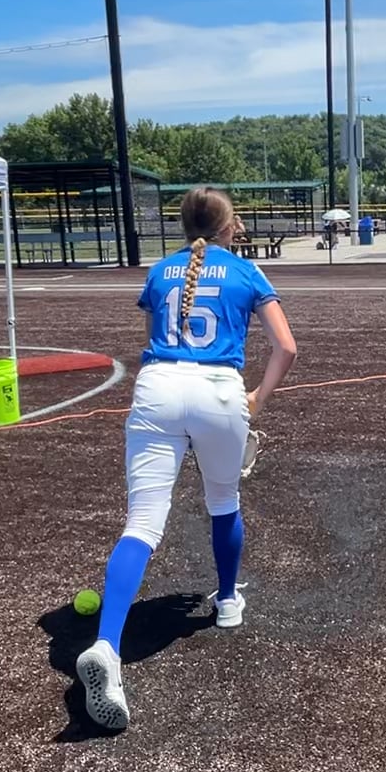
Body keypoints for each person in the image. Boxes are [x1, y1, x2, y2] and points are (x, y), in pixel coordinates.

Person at [76, 187, 297, 731]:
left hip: (157, 388)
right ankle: (227, 601)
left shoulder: (159, 272)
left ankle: (106, 644)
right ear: (229, 226)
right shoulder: (246, 271)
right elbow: (287, 347)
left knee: (142, 524)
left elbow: (153, 338)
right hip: (219, 392)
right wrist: (257, 398)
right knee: (223, 500)